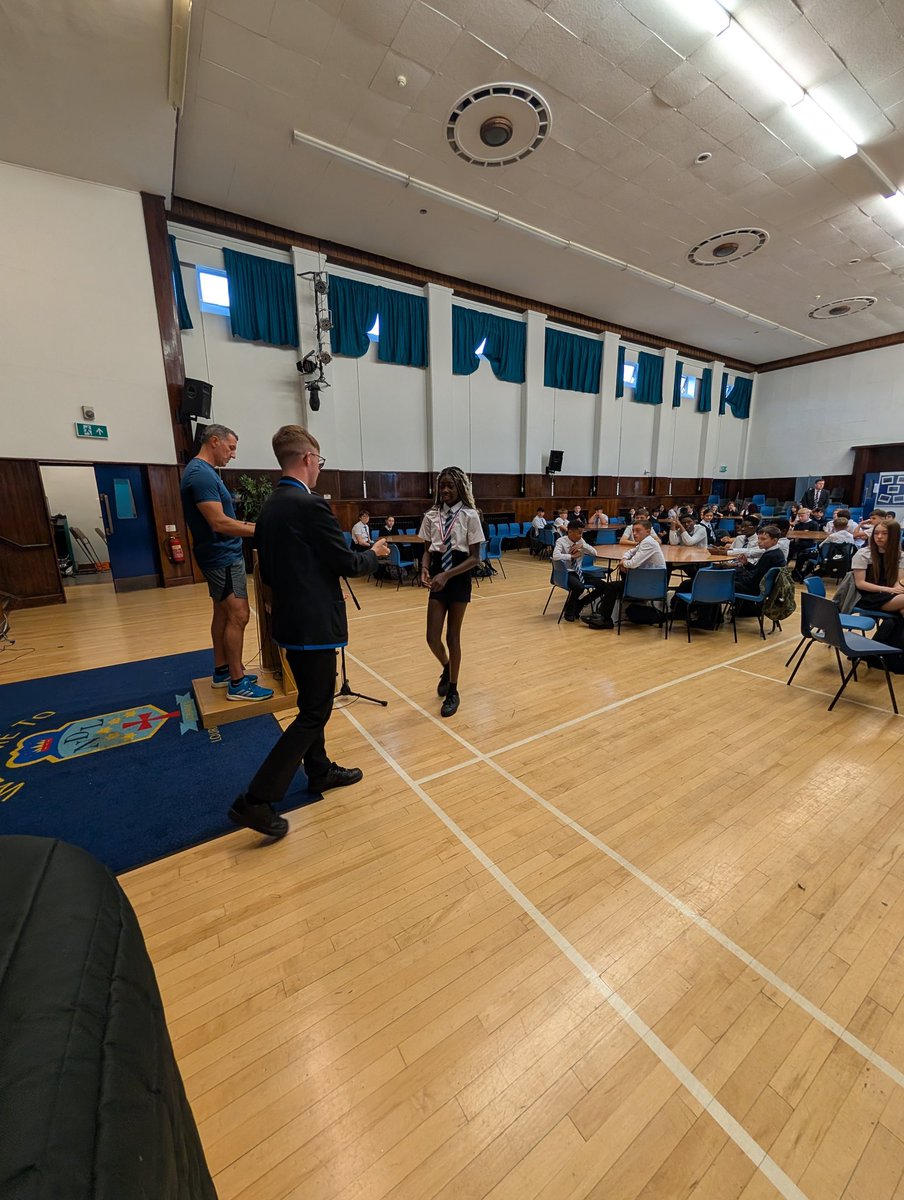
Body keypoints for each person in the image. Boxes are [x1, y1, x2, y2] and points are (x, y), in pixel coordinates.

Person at [228, 425, 390, 840]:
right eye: (319, 461)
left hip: (289, 622)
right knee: (315, 710)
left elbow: (268, 568)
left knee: (310, 702)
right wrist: (374, 554)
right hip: (315, 624)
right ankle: (257, 800)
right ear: (307, 459)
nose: (320, 468)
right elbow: (348, 565)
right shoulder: (310, 505)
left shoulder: (269, 507)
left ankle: (319, 771)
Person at [180, 423, 273, 701]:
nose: (233, 455)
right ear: (215, 442)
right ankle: (237, 682)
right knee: (239, 615)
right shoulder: (200, 475)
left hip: (220, 554)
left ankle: (222, 670)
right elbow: (219, 522)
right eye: (231, 448)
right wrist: (264, 529)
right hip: (221, 555)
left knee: (222, 613)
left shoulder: (204, 472)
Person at [418, 467, 484, 718]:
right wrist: (425, 568)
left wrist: (447, 574)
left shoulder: (470, 516)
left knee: (452, 636)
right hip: (437, 574)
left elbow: (476, 558)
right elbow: (426, 549)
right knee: (432, 637)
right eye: (442, 485)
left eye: (451, 486)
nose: (445, 490)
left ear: (460, 488)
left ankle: (453, 691)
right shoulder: (431, 515)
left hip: (458, 576)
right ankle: (447, 667)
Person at [580, 519, 666, 630]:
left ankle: (605, 619)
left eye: (638, 531)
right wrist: (624, 560)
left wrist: (624, 563)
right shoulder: (645, 541)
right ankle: (604, 616)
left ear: (648, 532)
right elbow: (630, 552)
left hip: (650, 585)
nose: (634, 534)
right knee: (619, 578)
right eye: (633, 531)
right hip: (646, 581)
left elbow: (634, 563)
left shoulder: (649, 543)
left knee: (611, 587)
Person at [552, 520, 602, 622]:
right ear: (570, 532)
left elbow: (594, 553)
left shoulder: (581, 541)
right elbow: (555, 556)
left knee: (603, 586)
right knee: (579, 587)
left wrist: (583, 545)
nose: (581, 535)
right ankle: (569, 611)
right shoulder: (561, 541)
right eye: (579, 533)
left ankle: (580, 603)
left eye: (582, 533)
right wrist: (571, 556)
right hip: (567, 572)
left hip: (579, 572)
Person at [851, 520, 904, 614]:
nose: (879, 537)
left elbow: (898, 581)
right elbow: (860, 583)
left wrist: (897, 590)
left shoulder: (900, 555)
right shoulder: (864, 554)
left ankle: (887, 628)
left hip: (890, 593)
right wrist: (889, 589)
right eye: (876, 533)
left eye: (885, 533)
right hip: (869, 596)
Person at [730, 524, 785, 595]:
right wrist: (746, 564)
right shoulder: (777, 552)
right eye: (758, 538)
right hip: (760, 586)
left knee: (723, 582)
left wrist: (733, 578)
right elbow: (758, 571)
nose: (759, 541)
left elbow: (754, 579)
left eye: (763, 539)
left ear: (775, 541)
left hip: (756, 589)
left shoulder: (769, 556)